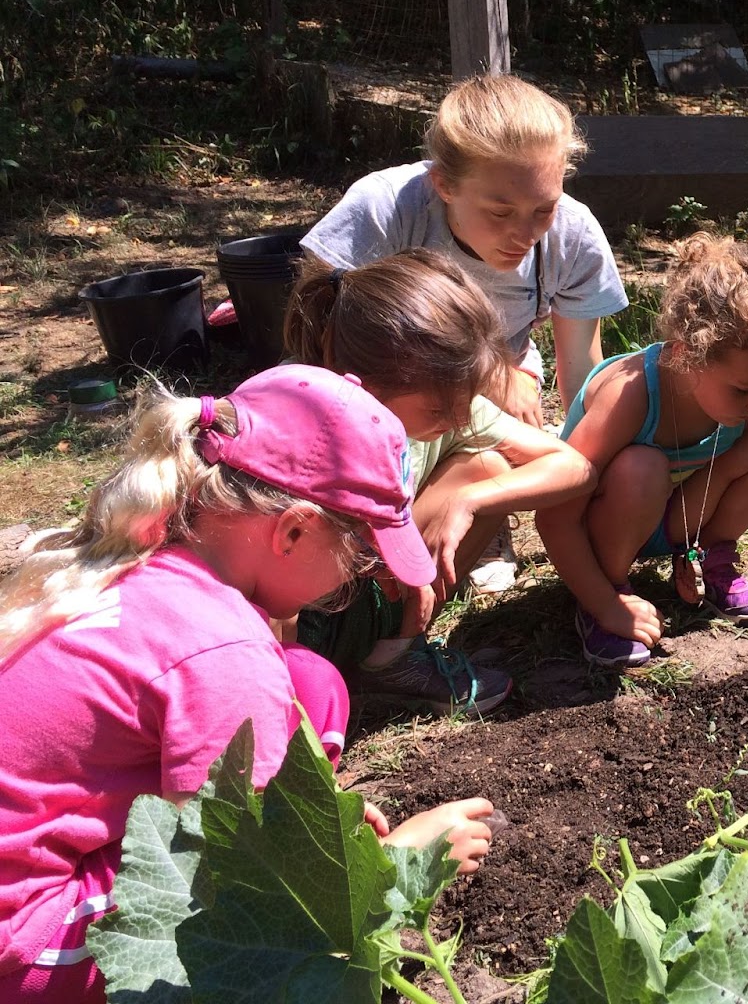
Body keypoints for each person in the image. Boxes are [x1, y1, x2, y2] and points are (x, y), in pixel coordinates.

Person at [0, 366, 498, 1003]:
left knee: (310, 682)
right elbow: (243, 892)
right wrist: (400, 864)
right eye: (360, 558)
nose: (359, 580)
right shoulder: (224, 652)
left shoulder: (149, 545)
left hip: (41, 841)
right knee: (252, 941)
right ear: (291, 530)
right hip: (26, 939)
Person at [282, 250, 596, 714]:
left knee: (488, 467)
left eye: (467, 399)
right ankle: (299, 699)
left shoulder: (441, 401)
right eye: (440, 409)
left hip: (365, 595)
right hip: (299, 620)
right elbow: (271, 586)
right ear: (367, 386)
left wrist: (469, 499)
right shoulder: (299, 435)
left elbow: (575, 467)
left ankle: (390, 660)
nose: (459, 419)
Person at [538, 235, 748, 669]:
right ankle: (610, 590)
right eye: (745, 388)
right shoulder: (630, 395)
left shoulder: (746, 389)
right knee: (642, 467)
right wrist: (604, 602)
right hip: (609, 522)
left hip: (677, 519)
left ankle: (712, 557)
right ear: (686, 355)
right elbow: (555, 514)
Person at [302, 73, 627, 427]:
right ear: (444, 186)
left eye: (544, 210)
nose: (525, 235)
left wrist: (588, 456)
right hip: (375, 384)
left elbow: (581, 376)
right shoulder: (386, 208)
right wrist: (486, 371)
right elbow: (315, 328)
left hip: (500, 393)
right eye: (500, 213)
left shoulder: (573, 236)